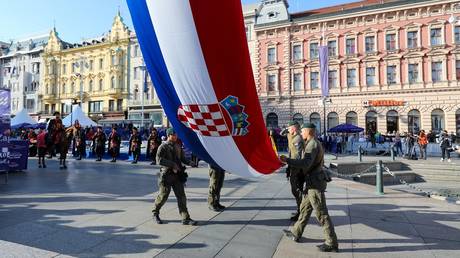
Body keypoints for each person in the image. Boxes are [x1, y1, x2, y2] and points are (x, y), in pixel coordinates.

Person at [280, 123, 338, 253]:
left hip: (315, 184)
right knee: (305, 209)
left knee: (321, 214)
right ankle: (296, 232)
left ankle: (331, 242)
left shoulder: (312, 145)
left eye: (303, 132)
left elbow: (306, 163)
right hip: (312, 182)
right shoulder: (314, 142)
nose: (302, 134)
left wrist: (287, 160)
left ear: (308, 132)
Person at [152, 128, 197, 225]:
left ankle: (185, 218)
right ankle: (155, 213)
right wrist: (172, 164)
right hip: (166, 176)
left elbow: (183, 158)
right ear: (169, 135)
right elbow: (159, 160)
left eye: (176, 134)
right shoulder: (163, 147)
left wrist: (189, 162)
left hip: (177, 176)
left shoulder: (178, 146)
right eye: (173, 135)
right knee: (163, 196)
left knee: (181, 197)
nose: (176, 136)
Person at [280, 121, 304, 221]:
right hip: (293, 166)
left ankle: (300, 212)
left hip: (297, 168)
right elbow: (281, 133)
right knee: (295, 190)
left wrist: (288, 161)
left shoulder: (297, 139)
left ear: (294, 129)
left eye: (289, 128)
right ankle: (300, 210)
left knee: (297, 190)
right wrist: (287, 129)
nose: (288, 130)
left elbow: (298, 156)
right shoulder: (291, 136)